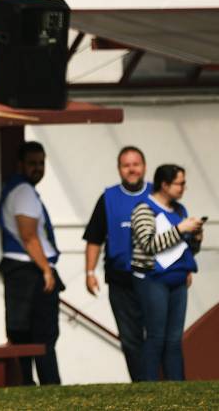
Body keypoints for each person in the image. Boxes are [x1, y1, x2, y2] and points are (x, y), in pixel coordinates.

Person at [0, 140, 63, 385]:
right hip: (29, 270)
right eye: (32, 163)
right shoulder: (23, 191)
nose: (38, 168)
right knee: (43, 337)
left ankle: (29, 384)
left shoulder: (20, 189)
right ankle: (49, 385)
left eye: (41, 163)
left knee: (26, 335)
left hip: (24, 270)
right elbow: (28, 235)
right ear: (20, 165)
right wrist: (46, 269)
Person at [82, 146, 151, 382]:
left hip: (155, 278)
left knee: (156, 334)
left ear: (144, 167)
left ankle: (163, 381)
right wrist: (90, 272)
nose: (132, 169)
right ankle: (143, 384)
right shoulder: (108, 198)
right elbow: (94, 238)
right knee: (130, 337)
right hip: (120, 278)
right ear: (119, 169)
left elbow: (177, 232)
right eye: (126, 165)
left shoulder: (158, 194)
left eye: (136, 164)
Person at [130, 164, 204, 381]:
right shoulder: (144, 209)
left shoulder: (180, 210)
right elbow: (149, 244)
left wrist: (196, 237)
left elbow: (187, 247)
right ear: (164, 184)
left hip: (179, 279)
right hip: (153, 280)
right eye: (179, 183)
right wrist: (181, 229)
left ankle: (177, 386)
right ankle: (150, 386)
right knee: (156, 337)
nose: (183, 188)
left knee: (174, 339)